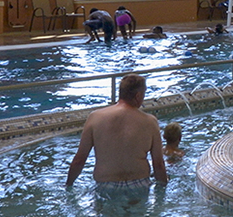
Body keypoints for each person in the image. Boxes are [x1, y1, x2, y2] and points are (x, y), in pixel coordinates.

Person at [65, 73, 167, 207]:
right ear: (138, 96)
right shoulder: (150, 122)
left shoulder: (95, 117)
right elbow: (158, 164)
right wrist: (163, 190)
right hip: (139, 185)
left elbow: (79, 160)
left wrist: (68, 186)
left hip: (106, 186)